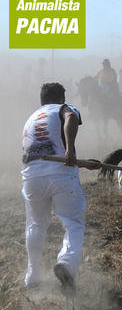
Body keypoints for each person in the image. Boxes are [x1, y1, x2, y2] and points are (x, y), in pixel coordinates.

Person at [21, 83, 96, 291]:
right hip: (61, 175)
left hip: (31, 176)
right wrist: (70, 150)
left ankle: (32, 277)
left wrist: (82, 161)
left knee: (35, 224)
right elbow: (70, 118)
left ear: (41, 99)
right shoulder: (63, 109)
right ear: (61, 98)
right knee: (73, 223)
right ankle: (66, 265)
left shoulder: (31, 118)